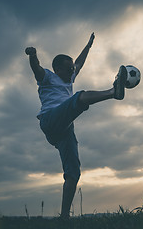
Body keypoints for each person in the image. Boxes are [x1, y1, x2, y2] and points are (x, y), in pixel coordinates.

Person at [25, 33, 128, 218]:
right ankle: (114, 92)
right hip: (50, 120)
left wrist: (88, 46)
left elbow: (80, 63)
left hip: (65, 129)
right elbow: (36, 68)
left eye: (72, 69)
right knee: (79, 98)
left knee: (73, 172)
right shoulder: (47, 77)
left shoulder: (69, 77)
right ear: (57, 69)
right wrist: (33, 55)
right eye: (68, 69)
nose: (73, 72)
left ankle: (64, 216)